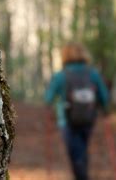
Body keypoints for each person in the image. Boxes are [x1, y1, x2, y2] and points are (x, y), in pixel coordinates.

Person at [45, 43, 109, 180]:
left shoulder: (61, 75)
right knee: (82, 149)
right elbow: (104, 96)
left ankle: (82, 176)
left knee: (75, 153)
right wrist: (104, 109)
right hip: (89, 118)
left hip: (67, 121)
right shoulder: (93, 74)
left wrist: (52, 105)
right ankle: (82, 173)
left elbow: (48, 98)